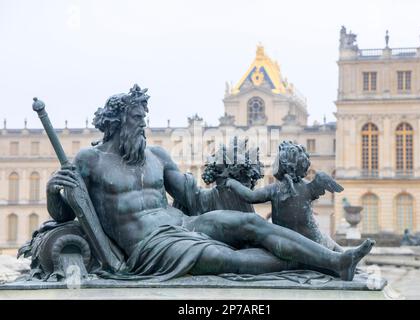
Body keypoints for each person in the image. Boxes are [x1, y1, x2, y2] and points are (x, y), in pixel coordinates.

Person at [46, 84, 374, 281]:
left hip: (184, 224)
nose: (143, 125)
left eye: (144, 118)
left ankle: (335, 261)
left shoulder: (157, 155)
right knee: (223, 258)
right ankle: (317, 264)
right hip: (150, 247)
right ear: (116, 121)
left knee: (247, 223)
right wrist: (52, 191)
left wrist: (227, 180)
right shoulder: (90, 161)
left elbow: (195, 197)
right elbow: (67, 214)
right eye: (136, 119)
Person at [226, 141, 344, 252]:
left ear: (283, 166)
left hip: (288, 241)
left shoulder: (275, 188)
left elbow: (250, 196)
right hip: (314, 239)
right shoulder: (309, 187)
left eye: (276, 161)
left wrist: (232, 183)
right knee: (334, 247)